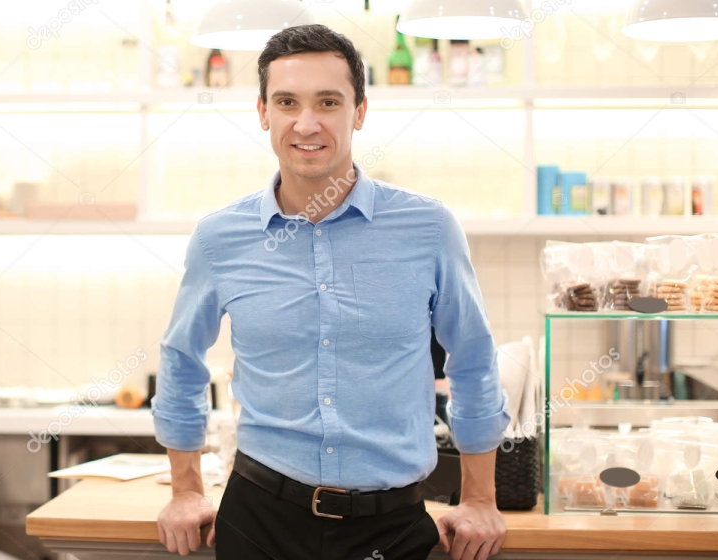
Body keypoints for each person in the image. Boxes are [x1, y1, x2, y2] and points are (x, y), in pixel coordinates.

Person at [152, 24, 510, 560]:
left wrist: (481, 498)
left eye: (328, 101)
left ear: (359, 112)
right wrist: (185, 490)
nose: (306, 122)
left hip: (391, 527)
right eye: (287, 101)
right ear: (262, 112)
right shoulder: (218, 238)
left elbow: (475, 359)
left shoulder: (430, 228)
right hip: (258, 520)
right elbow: (181, 360)